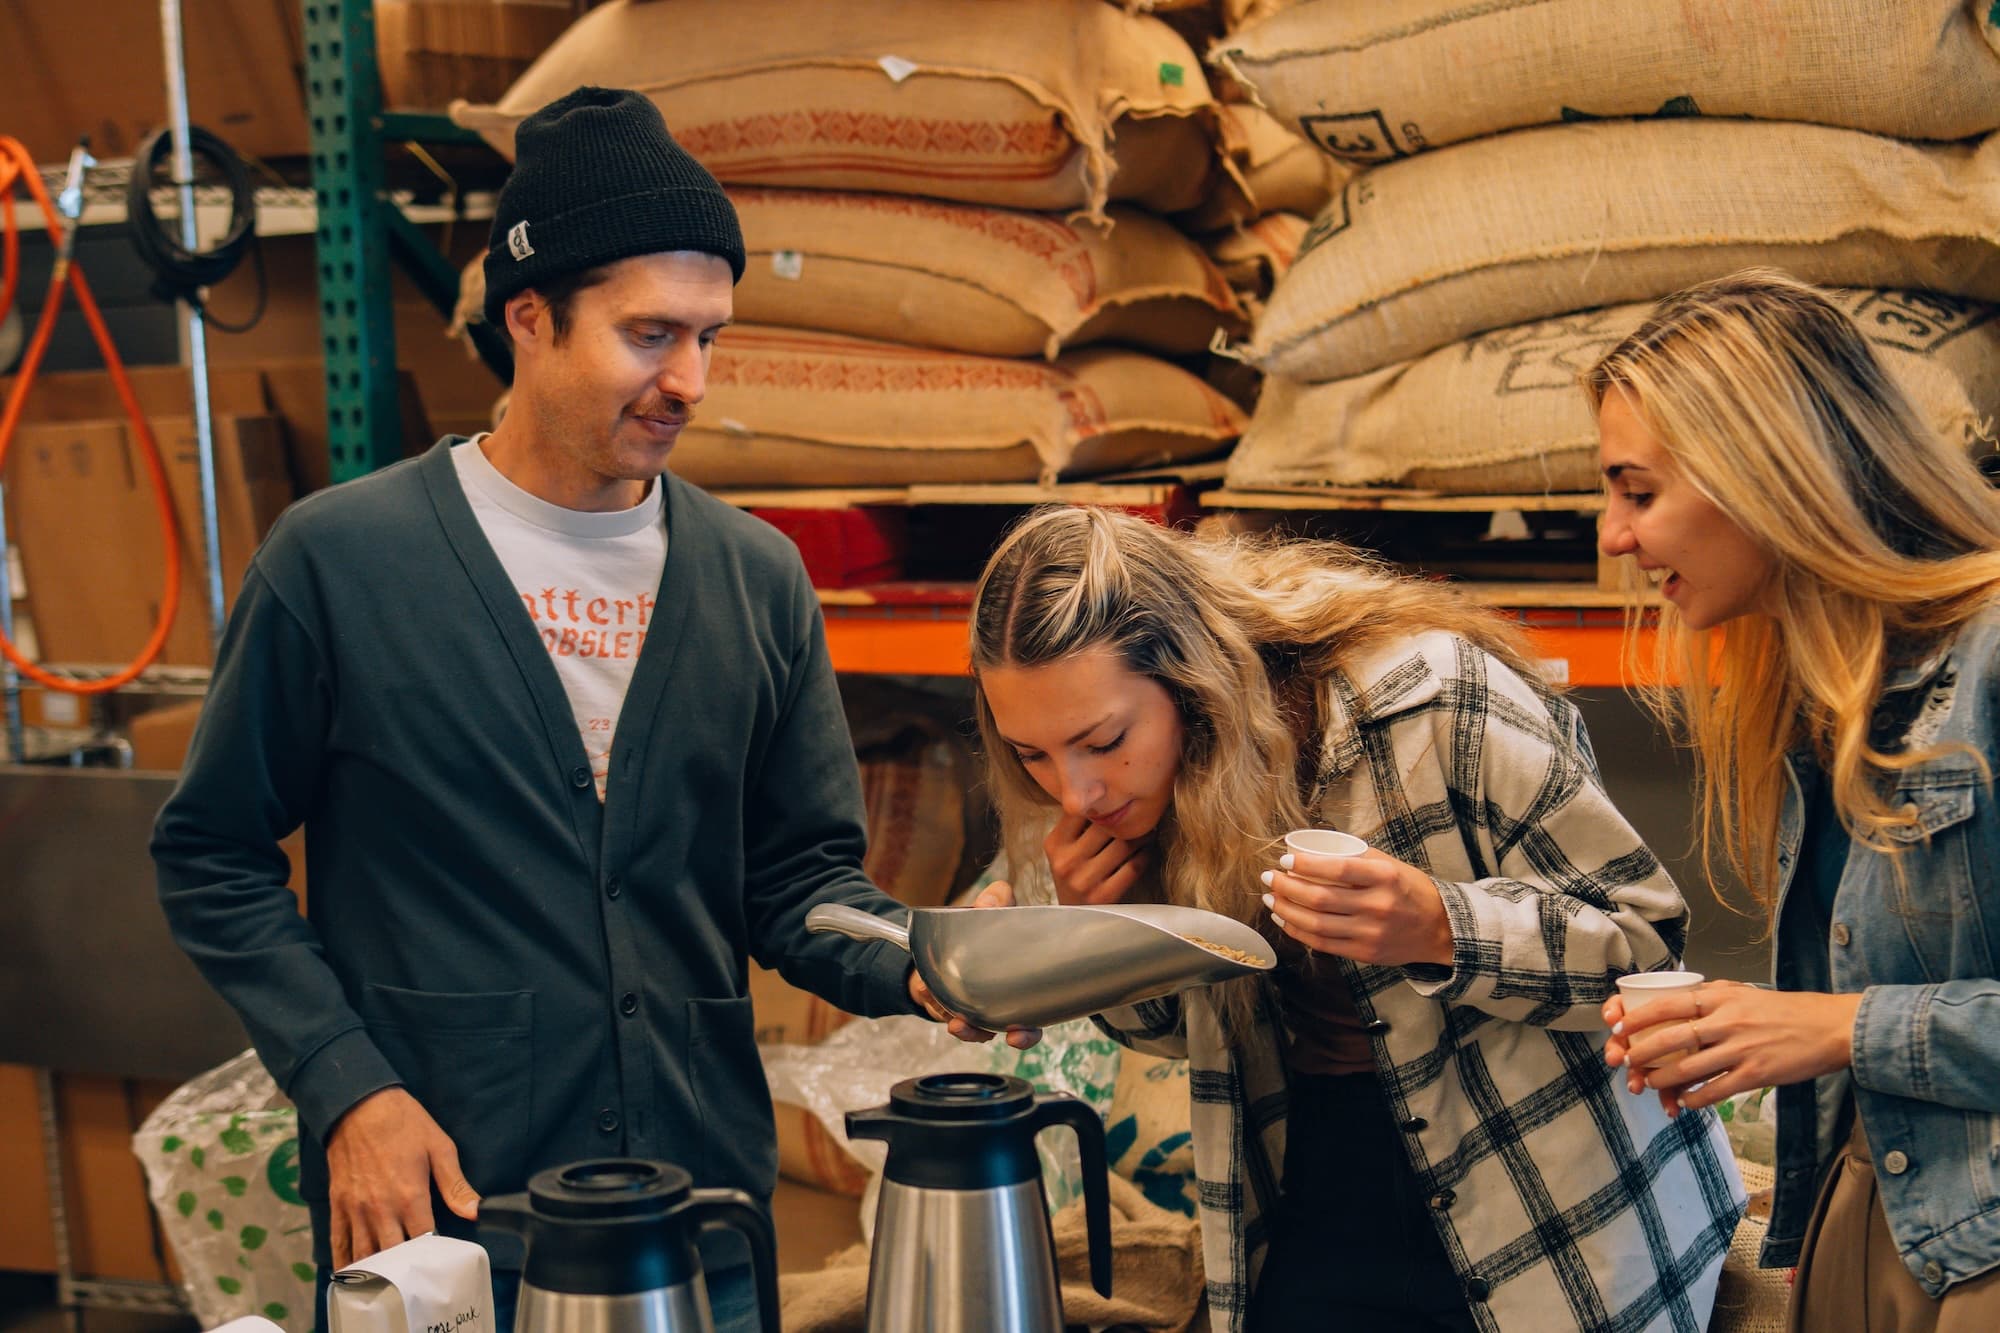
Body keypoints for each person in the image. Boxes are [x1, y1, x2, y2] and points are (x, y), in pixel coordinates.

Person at [151, 86, 1007, 1333]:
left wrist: (930, 958)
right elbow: (209, 853)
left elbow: (796, 882)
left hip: (697, 1215)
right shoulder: (341, 562)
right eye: (652, 334)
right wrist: (347, 1088)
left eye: (711, 336)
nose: (692, 381)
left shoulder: (754, 577)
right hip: (447, 1211)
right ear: (530, 318)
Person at [966, 506, 1744, 1332]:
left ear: (1191, 677)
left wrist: (1442, 927)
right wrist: (1105, 935)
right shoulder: (1139, 797)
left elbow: (1647, 945)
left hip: (1545, 1193)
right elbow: (1170, 1033)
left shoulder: (1432, 699)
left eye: (1104, 738)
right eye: (1033, 755)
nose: (1076, 791)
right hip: (1317, 1166)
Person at [1591, 269, 2000, 1331]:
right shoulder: (1814, 706)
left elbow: (1843, 1024)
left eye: (1637, 492)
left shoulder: (1990, 656)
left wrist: (1831, 1026)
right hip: (1868, 1222)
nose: (1611, 538)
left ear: (1761, 469)